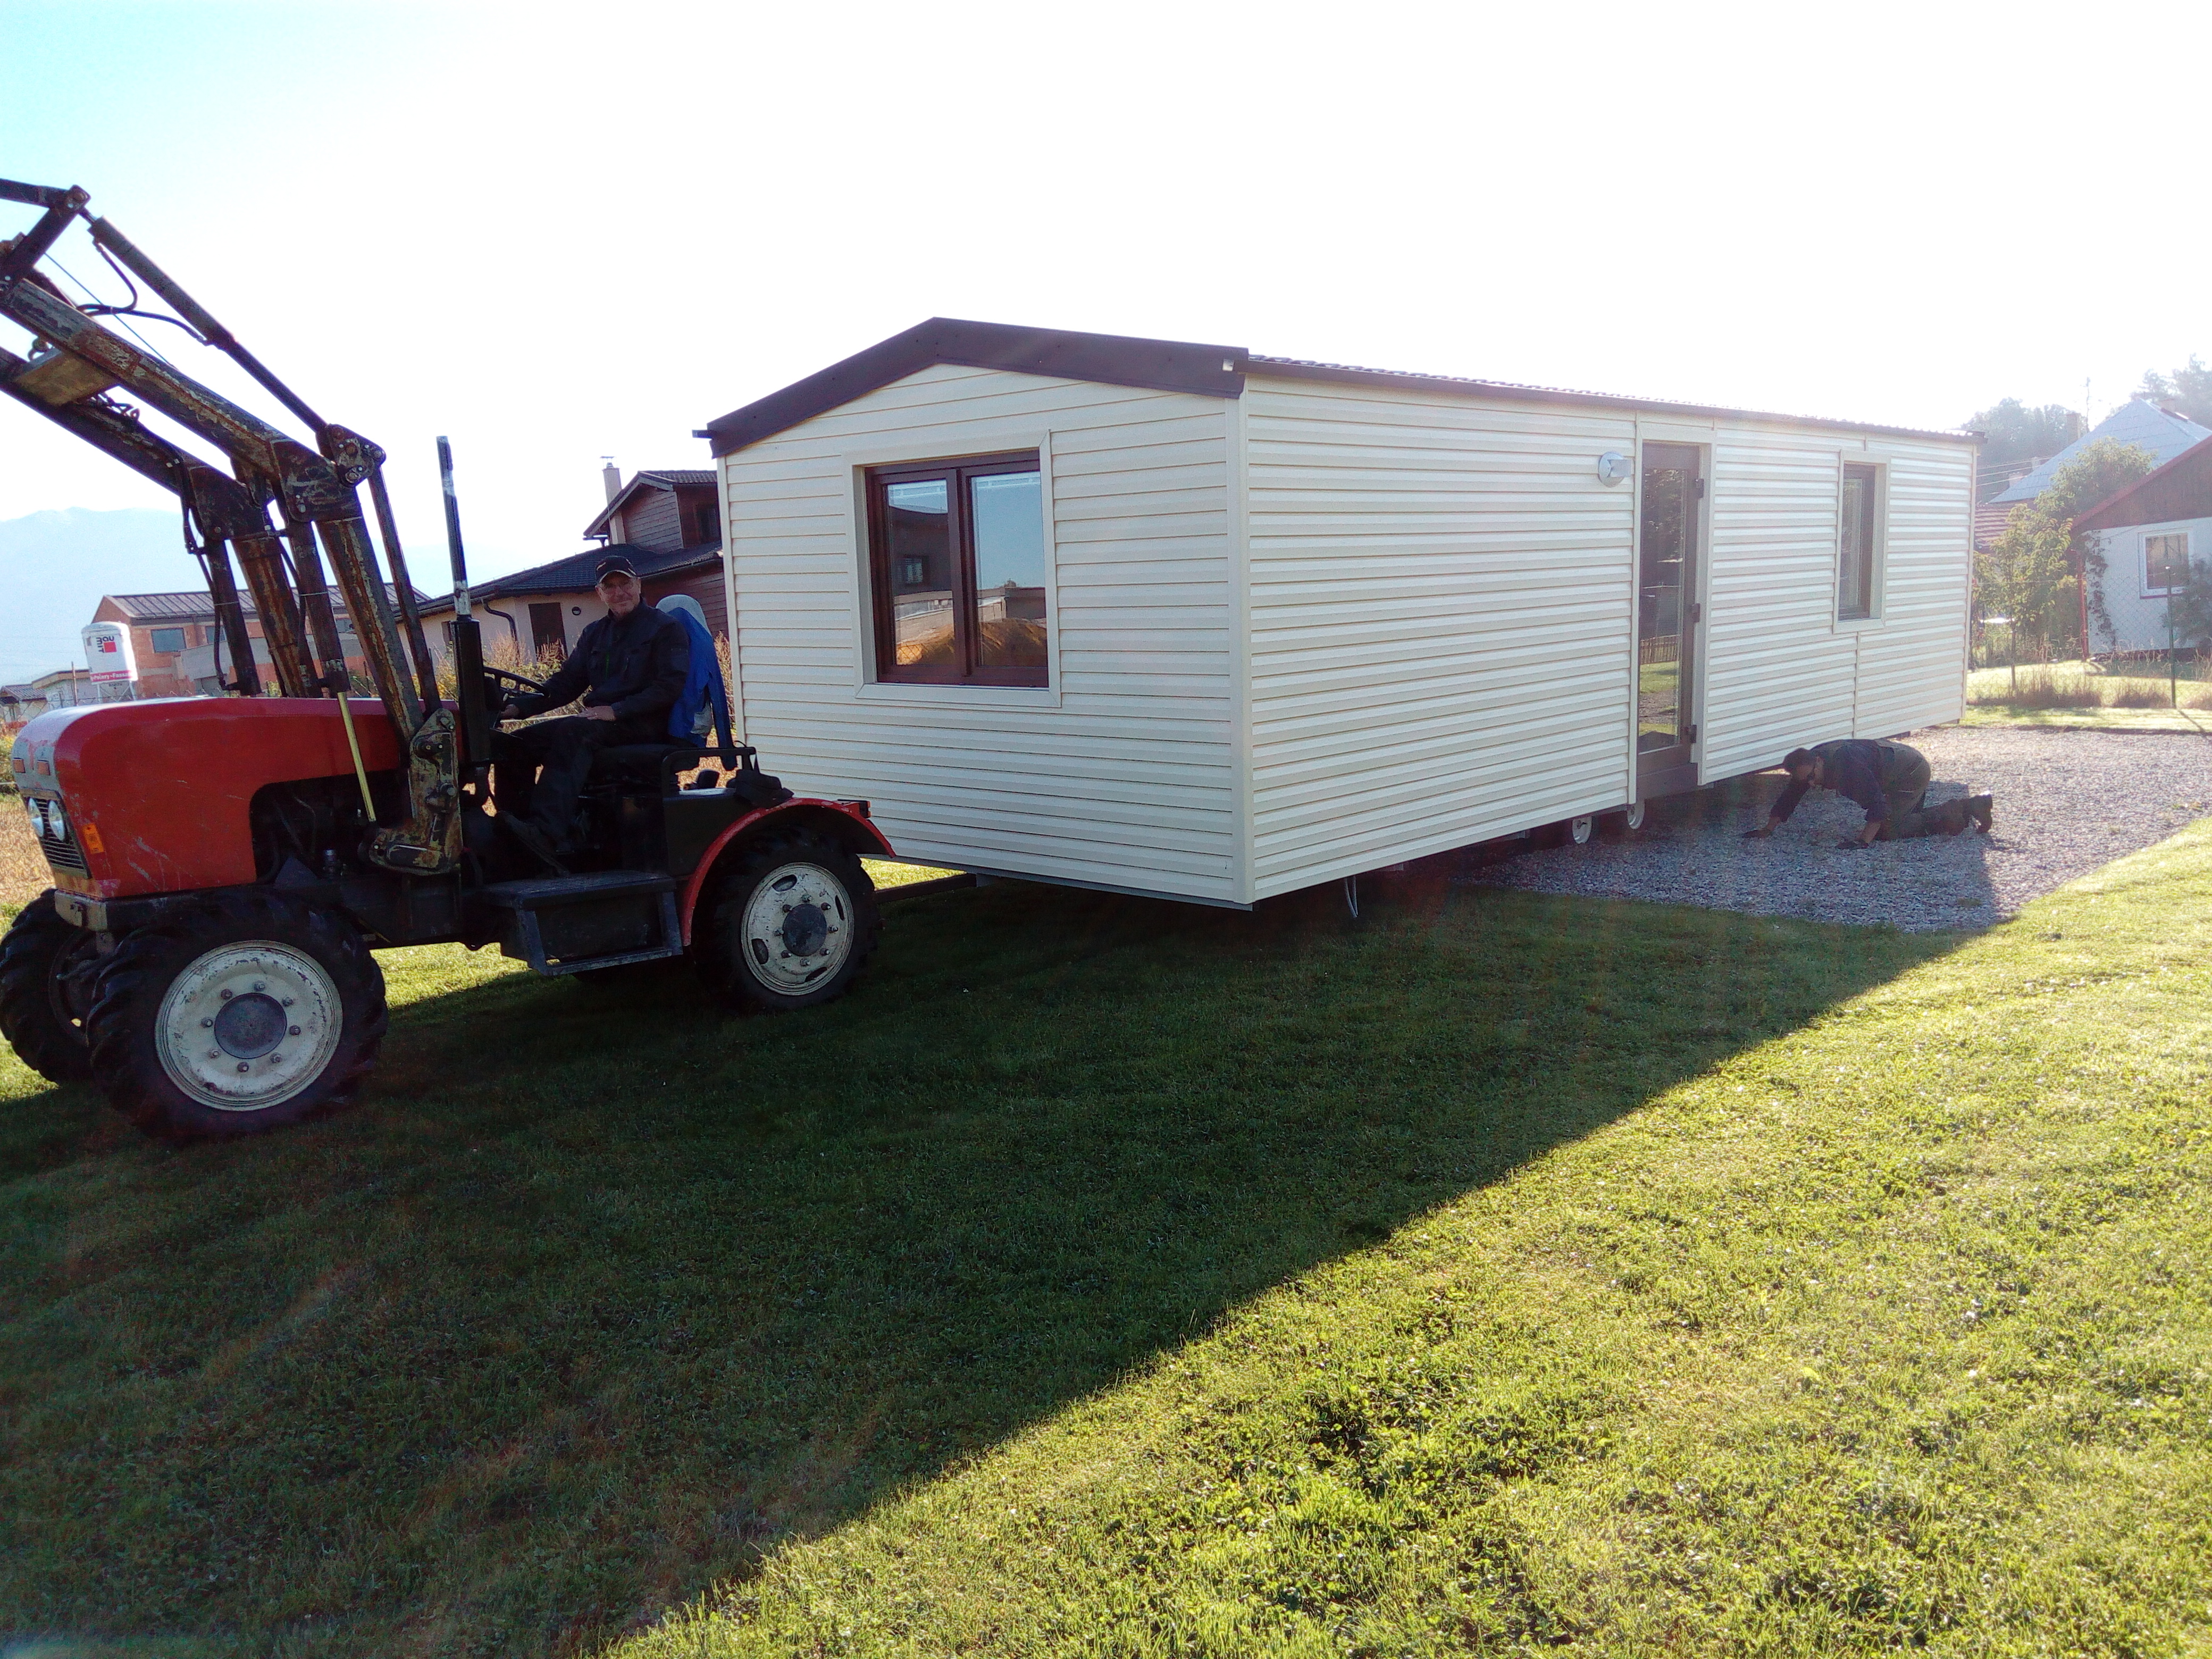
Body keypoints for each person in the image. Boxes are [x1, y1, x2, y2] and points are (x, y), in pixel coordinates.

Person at [491, 555, 689, 865]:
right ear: (600, 593)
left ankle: (545, 833)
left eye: (625, 583)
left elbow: (669, 686)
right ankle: (515, 830)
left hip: (644, 722)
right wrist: (516, 708)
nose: (619, 592)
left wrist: (617, 710)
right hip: (602, 722)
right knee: (516, 743)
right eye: (610, 587)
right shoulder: (595, 633)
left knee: (575, 732)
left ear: (638, 584)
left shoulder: (665, 629)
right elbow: (567, 683)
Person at [1744, 739, 1991, 847]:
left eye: (1812, 778)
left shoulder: (1847, 764)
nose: (1810, 784)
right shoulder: (1808, 765)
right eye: (1805, 780)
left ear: (1819, 762)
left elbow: (1877, 805)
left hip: (1910, 772)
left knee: (1889, 830)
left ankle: (1967, 807)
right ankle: (1943, 813)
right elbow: (1791, 795)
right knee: (1903, 818)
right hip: (1894, 770)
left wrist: (1862, 842)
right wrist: (1768, 829)